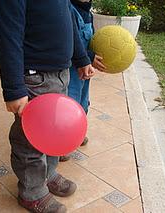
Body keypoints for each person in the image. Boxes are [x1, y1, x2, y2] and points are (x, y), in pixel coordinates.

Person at [0, 1, 96, 212]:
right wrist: (14, 89)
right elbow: (8, 35)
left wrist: (82, 59)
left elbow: (69, 24)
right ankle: (32, 192)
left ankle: (48, 174)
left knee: (53, 133)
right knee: (30, 140)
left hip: (61, 73)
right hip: (34, 76)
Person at [59, 0, 106, 162]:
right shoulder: (68, 9)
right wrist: (89, 57)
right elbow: (69, 42)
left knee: (83, 103)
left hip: (84, 71)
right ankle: (63, 144)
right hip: (72, 70)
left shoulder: (88, 14)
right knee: (69, 105)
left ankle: (77, 133)